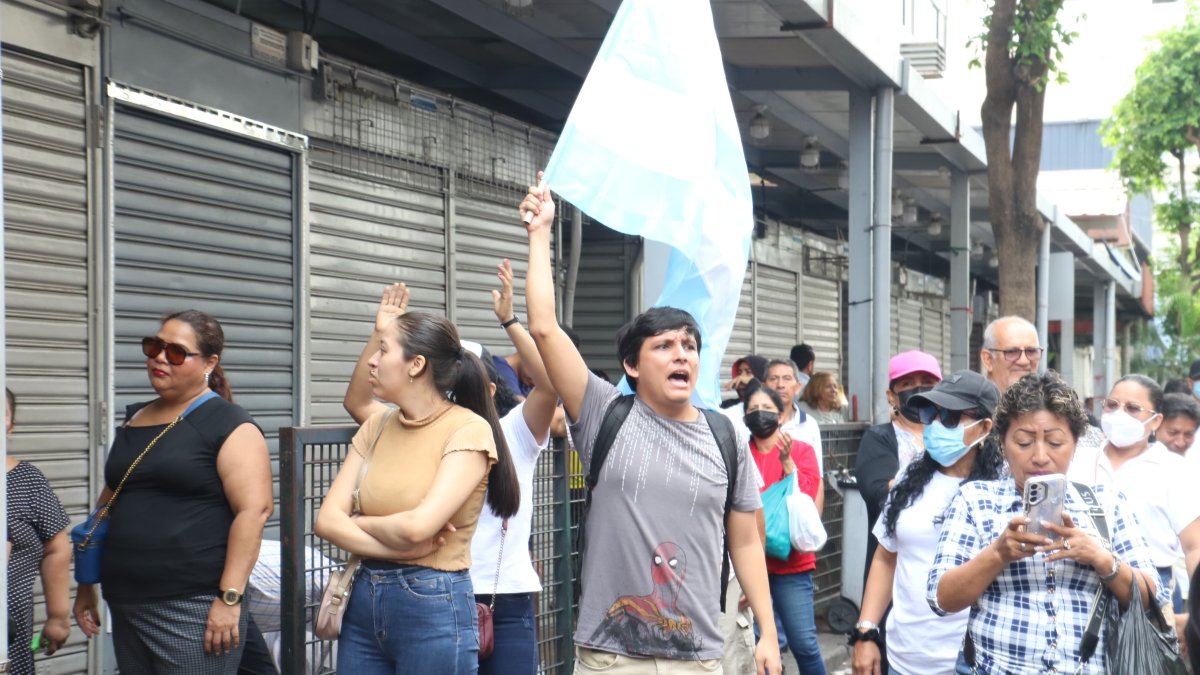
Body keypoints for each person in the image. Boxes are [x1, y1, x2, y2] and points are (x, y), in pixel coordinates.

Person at [520, 176, 781, 674]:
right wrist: (540, 234)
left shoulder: (727, 437)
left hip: (700, 657)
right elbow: (544, 328)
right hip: (612, 656)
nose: (681, 353)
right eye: (664, 345)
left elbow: (745, 540)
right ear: (632, 367)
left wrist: (768, 630)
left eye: (689, 345)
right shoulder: (603, 413)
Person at [342, 260, 556, 675]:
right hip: (434, 589)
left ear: (490, 388)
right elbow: (357, 403)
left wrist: (510, 320)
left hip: (503, 595)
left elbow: (549, 384)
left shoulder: (514, 431)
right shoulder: (413, 427)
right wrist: (380, 334)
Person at [317, 304, 521, 673]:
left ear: (416, 365)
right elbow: (327, 521)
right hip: (363, 593)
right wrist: (396, 541)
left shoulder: (468, 430)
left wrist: (359, 523)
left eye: (383, 350)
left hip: (432, 600)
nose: (372, 362)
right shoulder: (377, 425)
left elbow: (418, 528)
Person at [74, 310, 274, 674]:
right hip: (127, 600)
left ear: (209, 363)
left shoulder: (229, 425)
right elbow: (109, 503)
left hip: (191, 605)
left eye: (177, 352)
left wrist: (229, 599)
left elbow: (255, 511)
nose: (160, 358)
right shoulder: (134, 418)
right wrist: (86, 580)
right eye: (154, 346)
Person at [927, 371, 1166, 674]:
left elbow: (1150, 597)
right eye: (1024, 442)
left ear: (1076, 444)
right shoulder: (974, 500)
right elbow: (941, 598)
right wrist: (998, 553)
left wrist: (1100, 558)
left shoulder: (1106, 502)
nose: (1040, 457)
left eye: (1055, 442)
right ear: (1002, 443)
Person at [851, 371, 1001, 675]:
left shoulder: (1003, 487)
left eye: (949, 418)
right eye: (929, 413)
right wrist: (866, 632)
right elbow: (885, 556)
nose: (933, 425)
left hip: (974, 662)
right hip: (904, 659)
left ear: (985, 427)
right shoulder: (910, 476)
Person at [1067, 375, 1200, 635]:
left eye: (1132, 408)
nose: (1119, 414)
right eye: (1112, 405)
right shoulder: (1078, 459)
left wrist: (1195, 615)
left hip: (1150, 590)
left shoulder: (1173, 469)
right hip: (1081, 584)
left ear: (1156, 421)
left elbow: (1194, 547)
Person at [743, 383, 826, 675]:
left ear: (781, 416)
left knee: (804, 645)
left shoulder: (800, 451)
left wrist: (787, 464)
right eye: (752, 410)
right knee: (759, 648)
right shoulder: (741, 455)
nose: (759, 415)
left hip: (792, 566)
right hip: (751, 566)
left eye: (767, 409)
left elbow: (806, 503)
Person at [854, 350, 943, 582]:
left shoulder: (954, 435)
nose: (919, 389)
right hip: (893, 569)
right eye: (907, 383)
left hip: (947, 564)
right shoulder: (879, 438)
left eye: (927, 382)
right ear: (891, 396)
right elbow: (879, 492)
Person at [5, 388, 71, 675]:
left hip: (11, 631)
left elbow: (57, 547)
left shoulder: (27, 480)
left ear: (11, 425)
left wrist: (58, 616)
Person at [761, 359, 825, 473]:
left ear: (798, 387)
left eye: (787, 378)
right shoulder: (753, 422)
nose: (780, 385)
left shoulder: (809, 425)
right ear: (763, 387)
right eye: (774, 379)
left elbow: (817, 476)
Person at [979, 316, 1042, 393]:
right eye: (1012, 352)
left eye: (1031, 351)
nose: (1024, 361)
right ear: (988, 359)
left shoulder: (1051, 402)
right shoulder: (970, 403)